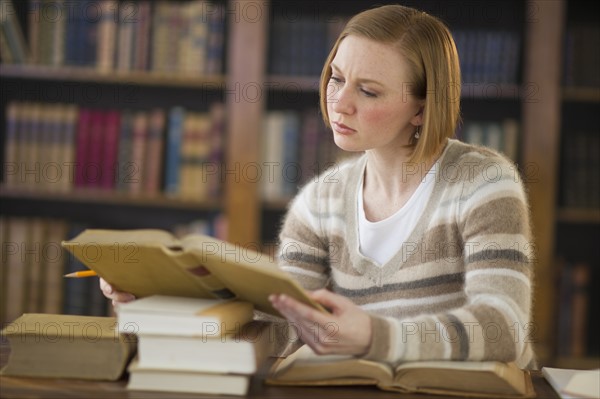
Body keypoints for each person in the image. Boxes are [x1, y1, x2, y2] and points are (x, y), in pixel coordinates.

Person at [102, 4, 535, 369]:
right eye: (336, 77)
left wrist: (372, 335)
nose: (340, 102)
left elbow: (503, 327)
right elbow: (282, 331)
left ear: (421, 109)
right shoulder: (321, 200)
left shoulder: (482, 182)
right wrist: (163, 307)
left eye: (368, 91)